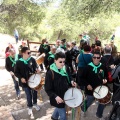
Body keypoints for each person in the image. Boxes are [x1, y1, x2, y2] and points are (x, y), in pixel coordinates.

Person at [45, 52, 76, 120]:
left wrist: (71, 81)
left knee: (60, 107)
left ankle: (54, 117)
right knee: (63, 117)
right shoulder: (50, 73)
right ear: (55, 61)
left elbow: (69, 76)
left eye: (64, 61)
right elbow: (48, 89)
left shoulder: (65, 67)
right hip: (57, 97)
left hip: (65, 95)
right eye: (60, 62)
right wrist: (55, 97)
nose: (62, 63)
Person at [81, 51, 108, 119]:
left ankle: (99, 115)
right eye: (94, 57)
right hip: (90, 89)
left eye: (98, 57)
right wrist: (87, 85)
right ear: (92, 58)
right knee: (89, 101)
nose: (96, 59)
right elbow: (82, 77)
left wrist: (105, 79)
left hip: (100, 88)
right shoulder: (88, 67)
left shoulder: (103, 66)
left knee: (102, 102)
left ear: (100, 58)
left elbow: (106, 76)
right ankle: (83, 109)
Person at [14, 47, 40, 117]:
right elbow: (16, 72)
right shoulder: (18, 62)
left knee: (35, 93)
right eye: (28, 53)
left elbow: (36, 67)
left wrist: (37, 69)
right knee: (28, 95)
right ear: (23, 53)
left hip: (34, 81)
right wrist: (21, 78)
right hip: (25, 82)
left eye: (30, 52)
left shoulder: (32, 59)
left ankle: (35, 104)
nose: (30, 54)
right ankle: (30, 107)